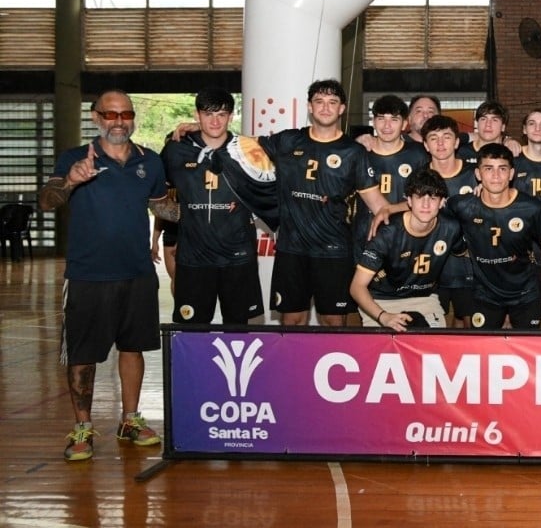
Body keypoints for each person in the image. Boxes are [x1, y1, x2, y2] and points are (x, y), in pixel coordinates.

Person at [39, 90, 171, 461]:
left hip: (138, 273)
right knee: (83, 354)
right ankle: (82, 427)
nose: (119, 121)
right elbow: (47, 201)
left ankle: (130, 420)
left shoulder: (151, 161)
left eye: (125, 113)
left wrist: (216, 203)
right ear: (96, 118)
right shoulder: (74, 158)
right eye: (110, 114)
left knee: (134, 347)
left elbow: (165, 207)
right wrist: (72, 181)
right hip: (88, 274)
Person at [257, 79, 401, 327]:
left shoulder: (353, 152)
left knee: (334, 321)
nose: (325, 108)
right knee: (292, 320)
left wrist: (417, 205)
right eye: (319, 102)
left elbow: (380, 206)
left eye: (332, 102)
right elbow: (240, 147)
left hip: (333, 250)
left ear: (342, 109)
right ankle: (292, 367)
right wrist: (202, 129)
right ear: (309, 107)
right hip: (292, 249)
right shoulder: (288, 141)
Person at [160, 87, 265, 326]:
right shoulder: (176, 150)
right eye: (208, 114)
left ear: (231, 116)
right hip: (194, 260)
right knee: (192, 333)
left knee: (238, 333)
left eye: (221, 114)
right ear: (197, 115)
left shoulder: (249, 151)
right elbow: (153, 193)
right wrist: (177, 215)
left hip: (238, 260)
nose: (215, 120)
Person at [445, 143, 541, 329]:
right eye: (488, 169)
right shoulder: (462, 205)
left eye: (502, 169)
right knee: (482, 350)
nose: (495, 176)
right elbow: (429, 209)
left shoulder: (531, 208)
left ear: (511, 174)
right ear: (478, 174)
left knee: (529, 348)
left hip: (525, 292)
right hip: (484, 293)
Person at [350, 169, 464, 331]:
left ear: (441, 202)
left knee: (432, 349)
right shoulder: (387, 232)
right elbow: (357, 287)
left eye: (432, 198)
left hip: (424, 299)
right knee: (385, 350)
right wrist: (384, 316)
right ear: (409, 201)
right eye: (419, 197)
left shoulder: (451, 227)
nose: (426, 205)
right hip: (381, 300)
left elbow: (466, 252)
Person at [423, 116, 480, 327]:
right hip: (430, 268)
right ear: (425, 145)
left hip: (468, 267)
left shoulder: (476, 176)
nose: (440, 143)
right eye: (433, 138)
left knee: (472, 330)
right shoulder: (419, 177)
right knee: (433, 334)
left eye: (446, 137)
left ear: (457, 142)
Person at [353, 95, 430, 248]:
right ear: (373, 122)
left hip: (405, 238)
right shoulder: (359, 153)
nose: (387, 126)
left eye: (394, 120)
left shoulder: (419, 154)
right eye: (381, 119)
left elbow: (426, 198)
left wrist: (392, 209)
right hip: (365, 237)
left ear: (404, 124)